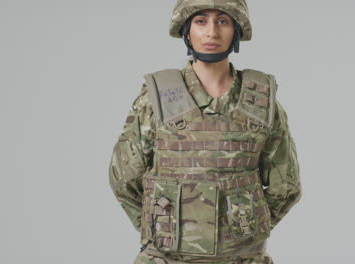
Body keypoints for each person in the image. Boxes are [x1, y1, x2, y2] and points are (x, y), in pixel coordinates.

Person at [108, 1, 302, 263]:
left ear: (236, 30)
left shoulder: (261, 102)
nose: (212, 32)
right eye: (201, 21)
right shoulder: (156, 98)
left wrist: (248, 230)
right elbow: (124, 178)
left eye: (223, 21)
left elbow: (286, 186)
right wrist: (158, 227)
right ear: (187, 30)